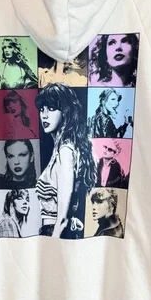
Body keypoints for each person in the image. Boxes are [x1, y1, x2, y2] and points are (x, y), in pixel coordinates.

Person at [34, 83, 97, 238]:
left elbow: (62, 219)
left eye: (51, 108)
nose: (44, 115)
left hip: (56, 234)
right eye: (42, 109)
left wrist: (52, 244)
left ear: (66, 111)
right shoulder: (64, 148)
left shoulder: (65, 151)